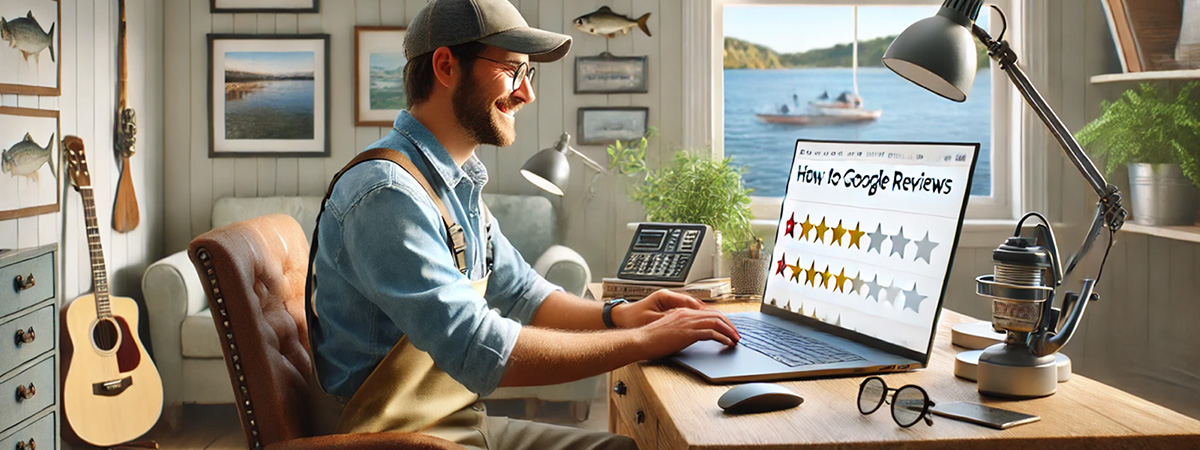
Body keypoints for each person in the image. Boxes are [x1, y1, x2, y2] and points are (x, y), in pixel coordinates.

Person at [305, 0, 740, 449]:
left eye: (529, 73)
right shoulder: (388, 194)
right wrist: (643, 340)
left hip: (454, 423)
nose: (526, 93)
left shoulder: (454, 185)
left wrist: (619, 315)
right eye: (513, 69)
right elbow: (479, 349)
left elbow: (523, 294)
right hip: (394, 440)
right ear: (446, 66)